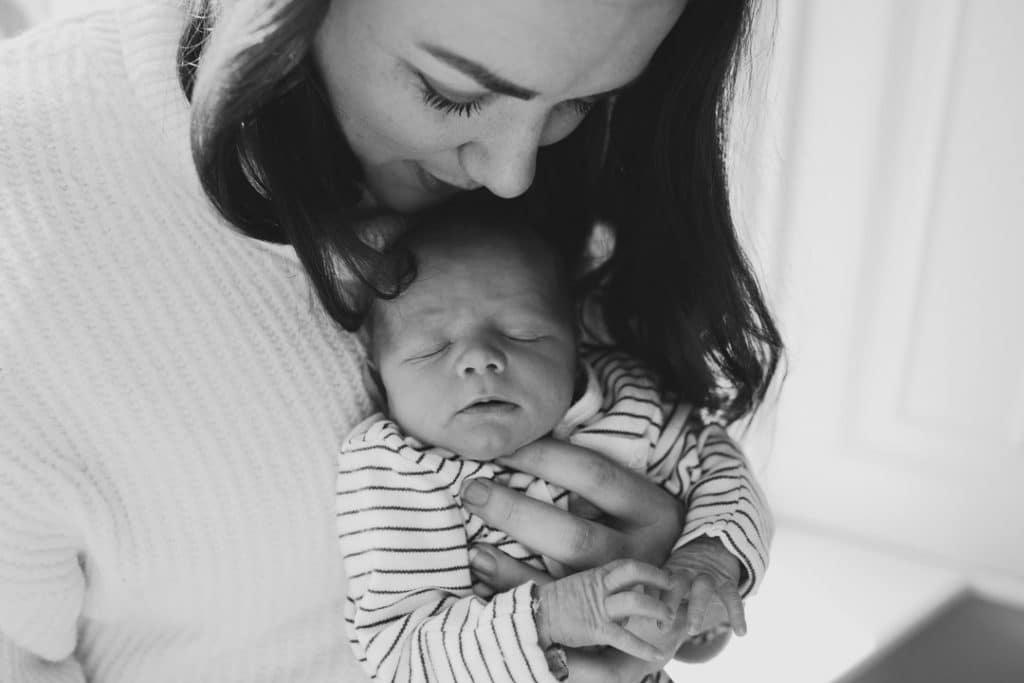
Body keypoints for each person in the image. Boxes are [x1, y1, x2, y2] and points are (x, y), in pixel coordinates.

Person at [0, 0, 783, 682]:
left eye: (582, 101)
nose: (512, 175)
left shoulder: (579, 160)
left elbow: (688, 514)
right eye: (452, 93)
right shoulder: (31, 215)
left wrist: (676, 592)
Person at [337, 196, 772, 682]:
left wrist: (708, 555)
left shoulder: (625, 401)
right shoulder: (397, 469)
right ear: (378, 370)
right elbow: (399, 656)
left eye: (522, 333)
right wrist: (547, 615)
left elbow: (718, 467)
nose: (479, 359)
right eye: (432, 346)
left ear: (573, 340)